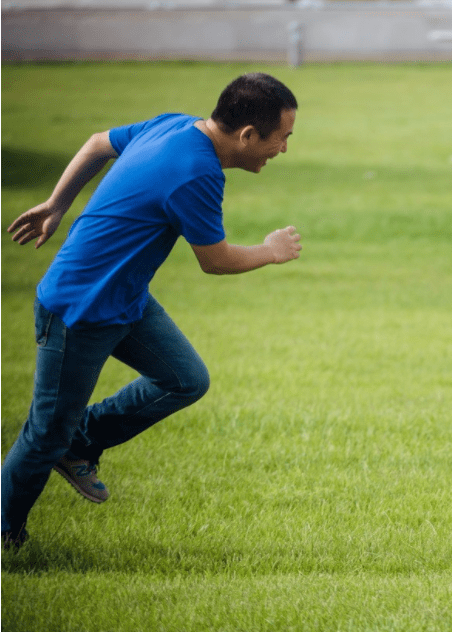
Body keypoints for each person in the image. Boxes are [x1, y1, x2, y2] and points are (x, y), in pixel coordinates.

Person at [2, 72, 303, 550]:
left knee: (185, 379)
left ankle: (81, 442)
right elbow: (216, 260)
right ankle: (5, 532)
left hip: (124, 299)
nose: (284, 148)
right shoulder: (196, 172)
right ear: (248, 136)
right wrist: (270, 250)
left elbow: (99, 142)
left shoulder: (175, 125)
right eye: (282, 137)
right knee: (43, 437)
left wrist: (58, 203)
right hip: (79, 309)